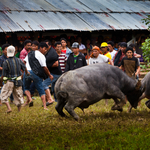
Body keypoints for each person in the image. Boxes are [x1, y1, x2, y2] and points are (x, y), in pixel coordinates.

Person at [24, 42, 53, 110]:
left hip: (27, 72)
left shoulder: (30, 53)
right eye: (45, 49)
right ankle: (45, 106)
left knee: (26, 88)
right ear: (40, 48)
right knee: (41, 90)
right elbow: (44, 67)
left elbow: (24, 62)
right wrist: (49, 75)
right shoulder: (41, 55)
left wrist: (25, 71)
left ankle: (30, 99)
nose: (45, 50)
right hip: (36, 74)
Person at [0, 45, 28, 113]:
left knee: (4, 95)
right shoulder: (19, 60)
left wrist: (1, 81)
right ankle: (19, 110)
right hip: (18, 81)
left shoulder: (5, 62)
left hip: (9, 81)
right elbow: (24, 68)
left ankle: (9, 108)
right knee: (18, 95)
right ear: (15, 52)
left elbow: (3, 74)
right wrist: (27, 73)